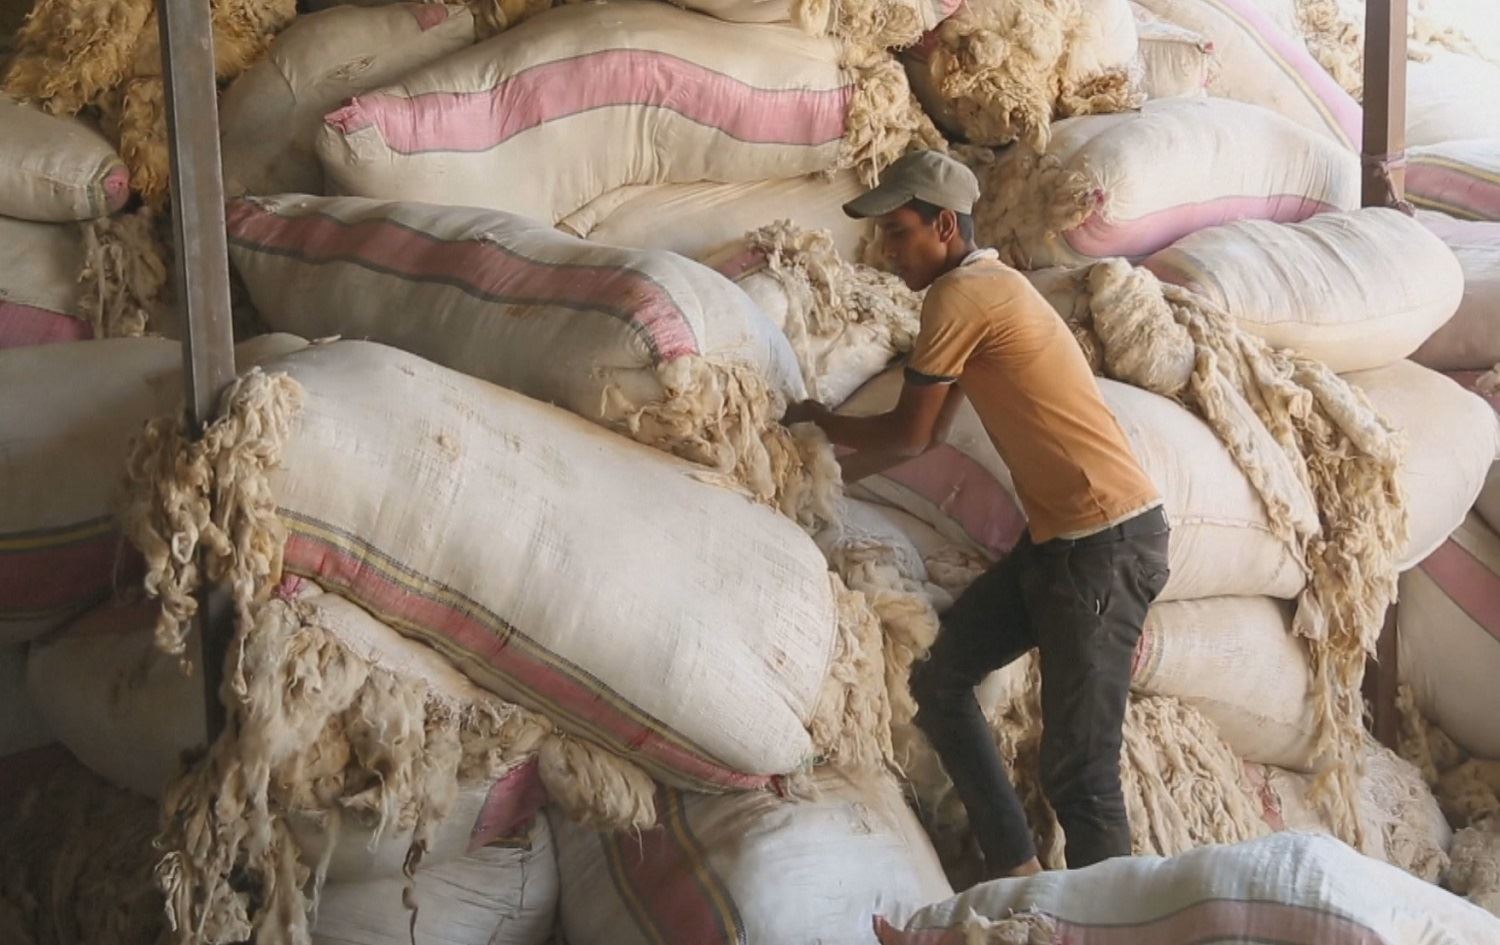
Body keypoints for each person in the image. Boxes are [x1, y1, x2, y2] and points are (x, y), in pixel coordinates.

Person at [783, 150, 1171, 877]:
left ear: (944, 227)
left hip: (1105, 545)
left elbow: (906, 431)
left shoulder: (962, 295)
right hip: (1058, 546)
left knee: (1081, 774)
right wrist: (821, 481)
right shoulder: (988, 290)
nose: (888, 251)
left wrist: (817, 422)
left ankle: (1110, 922)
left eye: (899, 233)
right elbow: (927, 436)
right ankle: (1018, 874)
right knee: (939, 682)